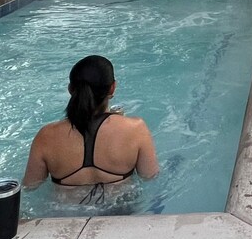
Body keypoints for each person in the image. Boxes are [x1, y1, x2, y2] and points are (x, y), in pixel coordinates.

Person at [23, 56, 159, 193]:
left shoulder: (46, 136)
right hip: (122, 204)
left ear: (70, 89)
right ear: (112, 88)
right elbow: (150, 177)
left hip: (65, 206)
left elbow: (29, 187)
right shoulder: (135, 129)